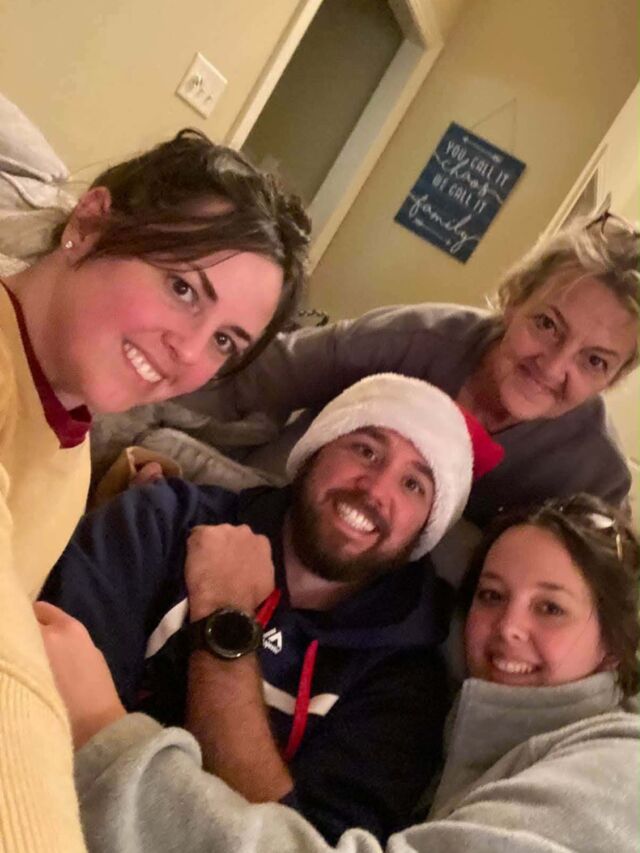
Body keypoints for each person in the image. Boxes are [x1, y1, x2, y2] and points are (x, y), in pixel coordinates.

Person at [0, 125, 309, 853]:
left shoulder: (68, 444)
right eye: (182, 287)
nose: (189, 351)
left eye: (225, 340)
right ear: (88, 224)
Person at [40, 373, 504, 843]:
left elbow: (297, 845)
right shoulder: (158, 521)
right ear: (316, 450)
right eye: (366, 451)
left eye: (413, 485)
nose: (375, 490)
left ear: (426, 529)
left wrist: (225, 616)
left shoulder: (407, 684)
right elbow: (49, 709)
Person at [40, 493, 639, 853]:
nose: (507, 627)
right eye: (492, 595)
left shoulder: (618, 771)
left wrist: (105, 737)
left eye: (550, 608)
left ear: (616, 644)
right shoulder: (470, 739)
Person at [166, 205, 640, 526]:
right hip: (266, 507)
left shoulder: (596, 478)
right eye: (547, 325)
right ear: (514, 300)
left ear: (614, 378)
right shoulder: (414, 339)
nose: (553, 367)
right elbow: (255, 377)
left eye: (594, 360)